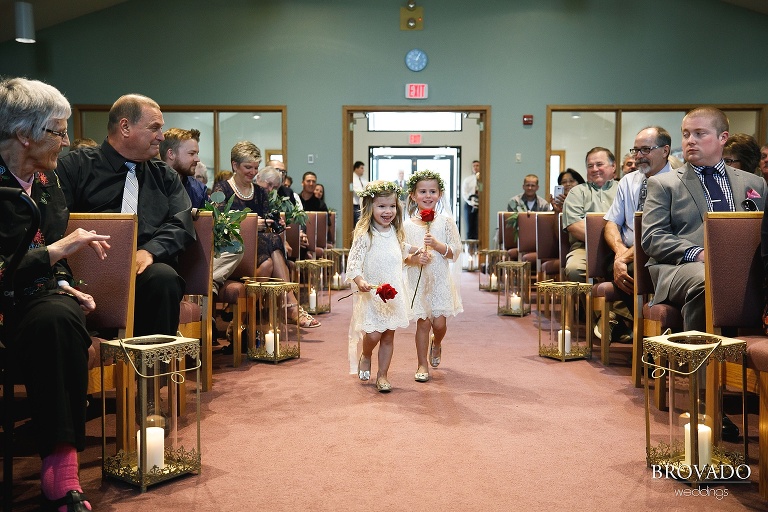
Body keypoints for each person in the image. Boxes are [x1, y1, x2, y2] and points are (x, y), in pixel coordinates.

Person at [0, 77, 112, 512]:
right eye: (58, 131)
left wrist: (64, 281)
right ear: (24, 135)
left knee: (60, 318)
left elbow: (49, 250)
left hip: (33, 296)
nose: (66, 141)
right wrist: (56, 252)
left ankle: (61, 468)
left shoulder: (47, 181)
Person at [57, 93, 195, 338]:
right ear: (125, 127)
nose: (161, 137)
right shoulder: (74, 168)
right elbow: (56, 224)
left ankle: (153, 372)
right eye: (154, 128)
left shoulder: (164, 176)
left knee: (164, 278)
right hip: (88, 270)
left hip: (145, 271)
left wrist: (150, 251)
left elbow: (182, 222)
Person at [642, 107, 767, 332]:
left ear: (723, 138)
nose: (691, 141)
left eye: (700, 134)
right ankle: (700, 363)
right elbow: (653, 237)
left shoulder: (755, 184)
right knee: (709, 279)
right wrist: (700, 254)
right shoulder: (664, 184)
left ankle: (744, 361)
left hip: (742, 265)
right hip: (680, 267)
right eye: (686, 134)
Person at [212, 143, 319, 328]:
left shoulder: (260, 192)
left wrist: (277, 225)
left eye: (255, 168)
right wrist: (250, 225)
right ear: (235, 165)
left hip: (260, 251)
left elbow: (268, 220)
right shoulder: (221, 189)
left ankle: (243, 323)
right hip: (233, 252)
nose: (252, 172)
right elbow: (218, 224)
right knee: (270, 246)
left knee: (268, 261)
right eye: (248, 167)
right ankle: (290, 306)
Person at [602, 126, 673, 342]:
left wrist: (626, 257)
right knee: (619, 269)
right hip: (628, 254)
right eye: (636, 150)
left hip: (660, 254)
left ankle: (649, 337)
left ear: (665, 150)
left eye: (646, 150)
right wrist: (620, 251)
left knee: (634, 270)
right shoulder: (628, 181)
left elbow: (663, 232)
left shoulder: (678, 181)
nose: (639, 157)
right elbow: (611, 223)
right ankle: (645, 336)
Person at [347, 180, 412, 392]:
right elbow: (354, 264)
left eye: (392, 206)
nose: (388, 211)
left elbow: (402, 249)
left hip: (391, 293)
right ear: (369, 207)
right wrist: (360, 281)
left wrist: (416, 251)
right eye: (381, 206)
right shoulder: (365, 234)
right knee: (373, 334)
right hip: (372, 293)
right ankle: (366, 354)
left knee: (388, 336)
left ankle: (383, 375)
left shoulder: (395, 231)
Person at [403, 170, 463, 383]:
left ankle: (436, 343)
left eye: (432, 191)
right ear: (413, 195)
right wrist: (414, 259)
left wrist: (438, 246)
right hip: (418, 279)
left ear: (440, 194)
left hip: (439, 279)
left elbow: (455, 253)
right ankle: (421, 364)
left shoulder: (446, 222)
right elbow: (401, 254)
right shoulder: (406, 225)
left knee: (438, 324)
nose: (427, 196)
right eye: (422, 191)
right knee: (423, 322)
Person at [562, 147, 618, 283]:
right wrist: (611, 239)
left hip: (621, 246)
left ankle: (619, 304)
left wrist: (619, 247)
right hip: (584, 247)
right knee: (575, 269)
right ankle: (588, 304)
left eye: (599, 164)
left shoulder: (624, 189)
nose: (594, 169)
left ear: (613, 166)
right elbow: (574, 226)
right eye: (590, 166)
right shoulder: (576, 192)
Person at [160, 128, 207, 210]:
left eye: (197, 154)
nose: (197, 159)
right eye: (191, 153)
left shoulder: (199, 190)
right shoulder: (151, 185)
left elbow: (207, 220)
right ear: (171, 154)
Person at [461, 160, 480, 239]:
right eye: (474, 166)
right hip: (470, 205)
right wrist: (471, 202)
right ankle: (470, 249)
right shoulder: (468, 180)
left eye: (477, 165)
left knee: (479, 228)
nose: (475, 167)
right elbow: (464, 193)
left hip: (481, 205)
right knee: (470, 227)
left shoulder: (484, 180)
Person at [351, 160, 367, 225]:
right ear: (356, 168)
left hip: (362, 205)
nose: (363, 170)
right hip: (355, 205)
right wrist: (365, 193)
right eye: (361, 168)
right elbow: (358, 192)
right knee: (357, 224)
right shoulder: (352, 179)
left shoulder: (363, 179)